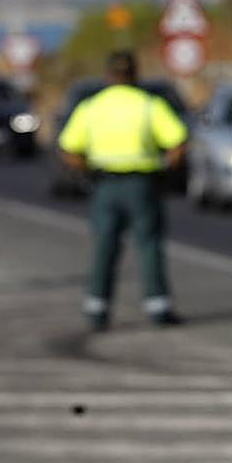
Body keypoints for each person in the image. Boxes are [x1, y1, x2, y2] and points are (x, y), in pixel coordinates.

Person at [58, 50, 188, 331]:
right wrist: (165, 170)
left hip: (104, 185)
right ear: (134, 74)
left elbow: (69, 149)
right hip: (141, 183)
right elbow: (178, 142)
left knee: (104, 246)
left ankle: (97, 310)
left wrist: (86, 172)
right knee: (149, 245)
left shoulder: (91, 107)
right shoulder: (149, 105)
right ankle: (158, 307)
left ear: (107, 76)